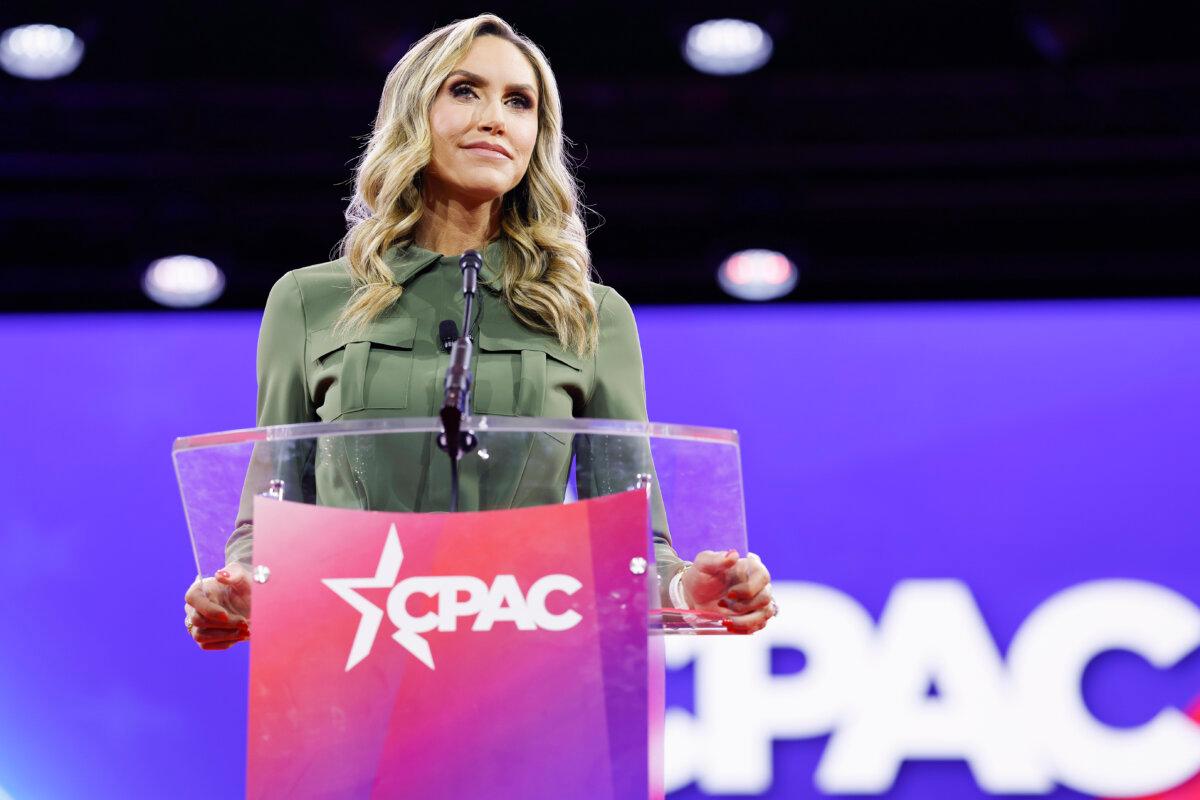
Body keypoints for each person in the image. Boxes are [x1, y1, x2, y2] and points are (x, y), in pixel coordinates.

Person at [183, 13, 777, 651]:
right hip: (353, 664)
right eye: (465, 90)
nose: (495, 117)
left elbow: (636, 548)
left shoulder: (590, 313)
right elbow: (269, 516)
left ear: (534, 138)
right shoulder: (307, 301)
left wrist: (693, 590)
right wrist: (238, 586)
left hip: (527, 664)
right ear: (413, 114)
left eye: (519, 102)